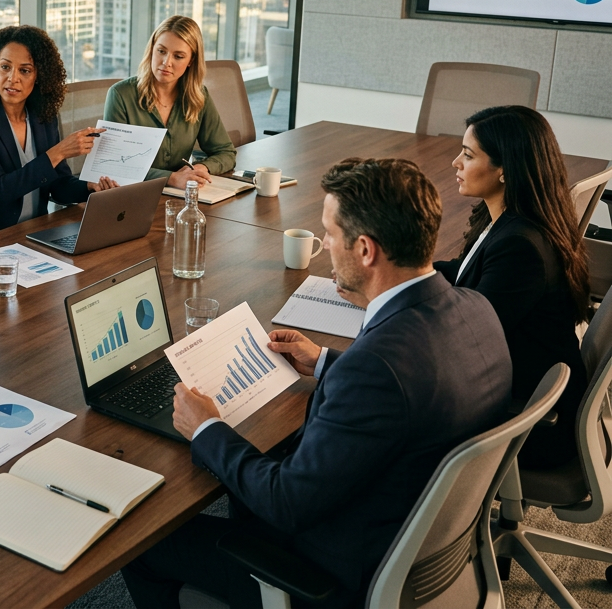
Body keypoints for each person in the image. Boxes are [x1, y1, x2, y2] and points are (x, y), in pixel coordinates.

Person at [123, 158, 513, 609]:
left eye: (329, 233)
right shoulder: (475, 307)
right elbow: (412, 385)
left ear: (365, 250)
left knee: (146, 544)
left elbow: (287, 501)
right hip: (418, 544)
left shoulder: (376, 370)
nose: (324, 244)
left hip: (334, 574)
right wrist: (326, 361)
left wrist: (207, 428)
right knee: (252, 469)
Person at [435, 105, 589, 470]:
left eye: (468, 155)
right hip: (520, 392)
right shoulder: (510, 220)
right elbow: (462, 273)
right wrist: (394, 273)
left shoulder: (521, 246)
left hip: (529, 423)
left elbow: (465, 342)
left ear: (505, 169)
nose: (456, 162)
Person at [0, 25, 117, 247]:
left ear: (39, 76)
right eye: (5, 67)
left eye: (24, 70)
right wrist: (59, 151)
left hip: (32, 234)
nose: (12, 78)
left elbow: (59, 185)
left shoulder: (43, 116)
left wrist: (89, 187)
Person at [103, 15, 236, 188]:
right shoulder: (120, 95)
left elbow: (225, 152)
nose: (166, 62)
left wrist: (200, 168)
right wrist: (172, 178)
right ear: (152, 50)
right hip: (133, 194)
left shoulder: (198, 96)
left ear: (191, 61)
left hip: (178, 194)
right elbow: (115, 164)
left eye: (178, 56)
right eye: (161, 51)